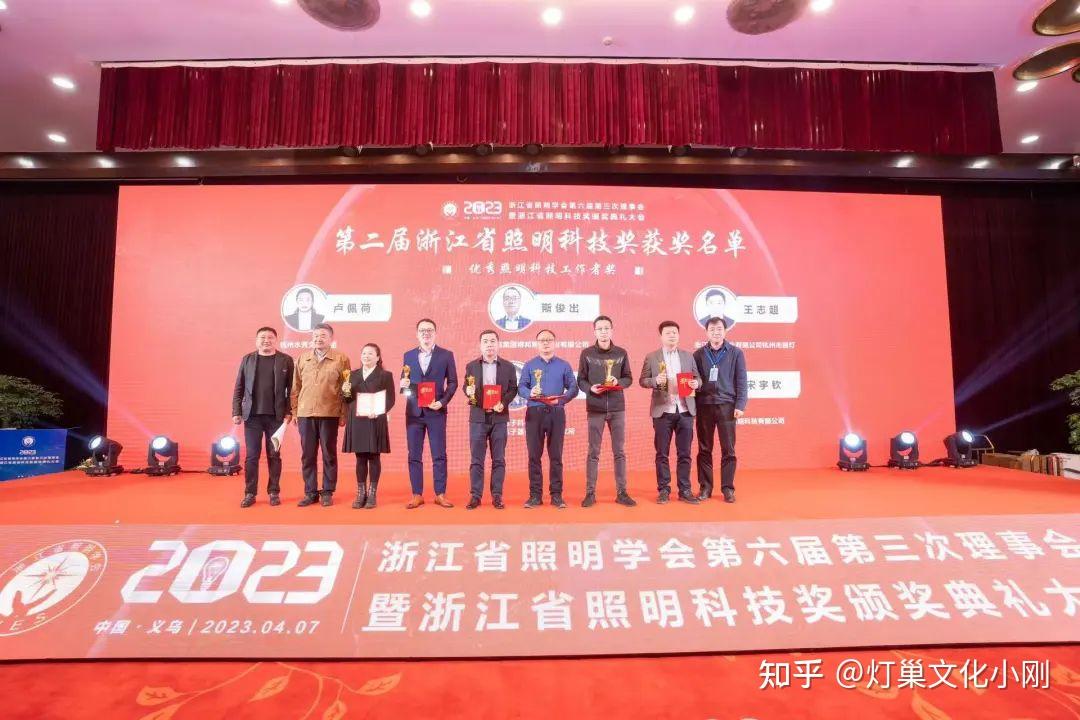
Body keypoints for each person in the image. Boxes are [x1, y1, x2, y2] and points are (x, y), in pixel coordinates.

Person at [639, 321, 702, 504]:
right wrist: (655, 381)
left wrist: (696, 383)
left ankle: (685, 490)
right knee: (662, 453)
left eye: (675, 332)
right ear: (661, 336)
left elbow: (698, 378)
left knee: (685, 453)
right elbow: (643, 380)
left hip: (685, 410)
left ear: (678, 335)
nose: (672, 335)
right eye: (668, 333)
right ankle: (664, 490)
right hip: (663, 411)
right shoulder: (652, 357)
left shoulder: (688, 356)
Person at [231, 326, 294, 508]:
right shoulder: (248, 359)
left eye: (270, 337)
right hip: (252, 418)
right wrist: (236, 411)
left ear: (276, 340)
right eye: (263, 337)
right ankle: (250, 493)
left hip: (276, 417)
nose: (266, 340)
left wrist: (289, 411)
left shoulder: (285, 360)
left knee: (274, 455)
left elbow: (292, 389)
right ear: (257, 340)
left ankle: (274, 491)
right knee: (252, 456)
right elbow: (239, 387)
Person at [290, 323, 351, 507]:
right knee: (307, 455)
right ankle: (310, 492)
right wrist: (295, 411)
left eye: (323, 335)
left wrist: (343, 413)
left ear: (331, 338)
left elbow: (346, 389)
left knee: (328, 454)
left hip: (329, 413)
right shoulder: (303, 359)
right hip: (305, 413)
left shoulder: (341, 359)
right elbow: (295, 387)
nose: (318, 339)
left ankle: (327, 491)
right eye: (315, 335)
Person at [578, 315, 635, 507]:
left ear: (612, 330)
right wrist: (590, 389)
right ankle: (590, 493)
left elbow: (628, 378)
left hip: (617, 409)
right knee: (593, 452)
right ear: (595, 331)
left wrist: (618, 382)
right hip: (595, 408)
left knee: (619, 451)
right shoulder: (586, 353)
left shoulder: (621, 353)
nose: (603, 332)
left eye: (606, 328)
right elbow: (581, 380)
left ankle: (622, 492)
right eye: (600, 329)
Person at [401, 318, 458, 509]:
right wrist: (403, 386)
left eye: (430, 330)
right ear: (417, 334)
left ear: (435, 333)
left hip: (436, 412)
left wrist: (442, 402)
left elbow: (453, 383)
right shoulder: (408, 355)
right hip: (414, 413)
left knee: (439, 454)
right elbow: (405, 382)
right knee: (414, 454)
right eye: (422, 330)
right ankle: (417, 494)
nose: (426, 333)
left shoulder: (446, 355)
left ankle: (440, 494)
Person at [518, 329, 578, 508]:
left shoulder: (564, 365)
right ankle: (535, 495)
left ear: (554, 342)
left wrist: (561, 400)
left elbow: (573, 388)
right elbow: (521, 387)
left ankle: (556, 495)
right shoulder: (529, 365)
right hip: (534, 413)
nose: (545, 343)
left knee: (556, 456)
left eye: (549, 340)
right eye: (542, 340)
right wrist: (530, 393)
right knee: (533, 456)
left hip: (556, 413)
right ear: (537, 344)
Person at [693, 317, 748, 503]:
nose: (716, 332)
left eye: (719, 329)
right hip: (704, 406)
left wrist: (740, 405)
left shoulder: (736, 353)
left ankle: (727, 488)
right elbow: (694, 381)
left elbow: (741, 381)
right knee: (704, 448)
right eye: (712, 329)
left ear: (725, 331)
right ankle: (705, 487)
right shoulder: (698, 354)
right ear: (706, 332)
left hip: (727, 406)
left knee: (728, 449)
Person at [462, 330, 519, 509]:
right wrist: (467, 391)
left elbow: (513, 389)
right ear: (480, 345)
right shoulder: (471, 366)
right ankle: (475, 495)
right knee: (476, 459)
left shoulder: (508, 367)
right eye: (485, 341)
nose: (489, 344)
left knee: (499, 459)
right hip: (478, 417)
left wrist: (504, 402)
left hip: (499, 417)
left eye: (492, 341)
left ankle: (497, 495)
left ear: (498, 344)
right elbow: (466, 386)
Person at [341, 342, 395, 509]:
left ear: (378, 357)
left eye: (370, 353)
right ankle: (360, 493)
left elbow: (390, 399)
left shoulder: (385, 375)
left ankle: (372, 493)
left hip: (375, 419)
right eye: (364, 353)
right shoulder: (351, 375)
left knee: (374, 457)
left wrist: (379, 410)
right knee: (360, 457)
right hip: (357, 419)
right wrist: (345, 391)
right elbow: (347, 400)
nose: (366, 356)